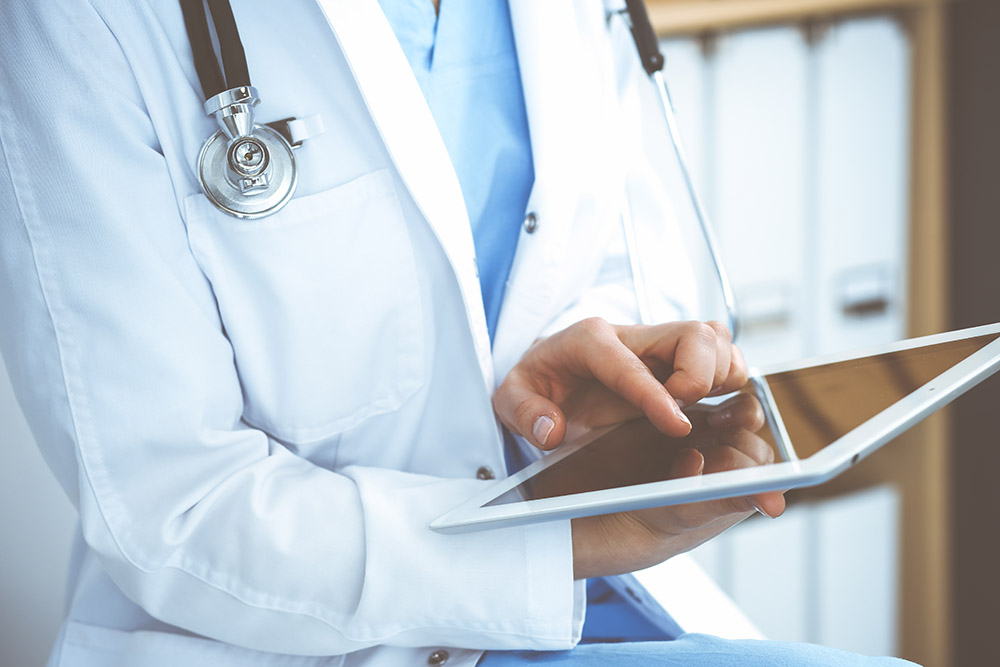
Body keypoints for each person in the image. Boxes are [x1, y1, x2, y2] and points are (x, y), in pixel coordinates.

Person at [0, 1, 916, 665]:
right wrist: (559, 541)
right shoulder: (80, 22)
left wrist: (588, 365)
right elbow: (171, 510)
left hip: (579, 608)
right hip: (285, 641)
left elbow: (591, 241)